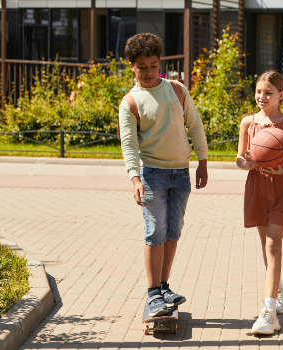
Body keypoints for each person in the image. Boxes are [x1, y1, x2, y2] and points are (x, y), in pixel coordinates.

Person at [118, 33, 209, 318]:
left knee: (172, 231)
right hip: (152, 175)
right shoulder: (131, 102)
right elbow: (129, 144)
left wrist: (203, 161)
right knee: (154, 231)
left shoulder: (177, 90)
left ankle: (164, 286)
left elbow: (195, 125)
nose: (148, 72)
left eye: (153, 65)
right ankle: (152, 294)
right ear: (131, 66)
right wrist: (135, 178)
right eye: (142, 66)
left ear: (160, 64)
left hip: (180, 174)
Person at [236, 71, 283, 335]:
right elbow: (239, 158)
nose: (262, 97)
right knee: (266, 245)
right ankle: (279, 288)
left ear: (281, 95)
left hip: (282, 187)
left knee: (273, 244)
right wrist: (247, 163)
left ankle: (269, 311)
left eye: (269, 93)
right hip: (257, 185)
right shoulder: (248, 122)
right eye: (259, 91)